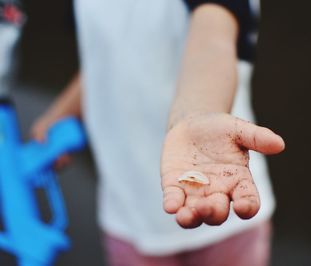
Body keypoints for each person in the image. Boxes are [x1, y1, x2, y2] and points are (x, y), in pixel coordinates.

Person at [31, 1, 285, 265]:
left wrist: (198, 113)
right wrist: (62, 111)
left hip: (224, 201)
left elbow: (213, 38)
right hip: (126, 212)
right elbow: (107, 52)